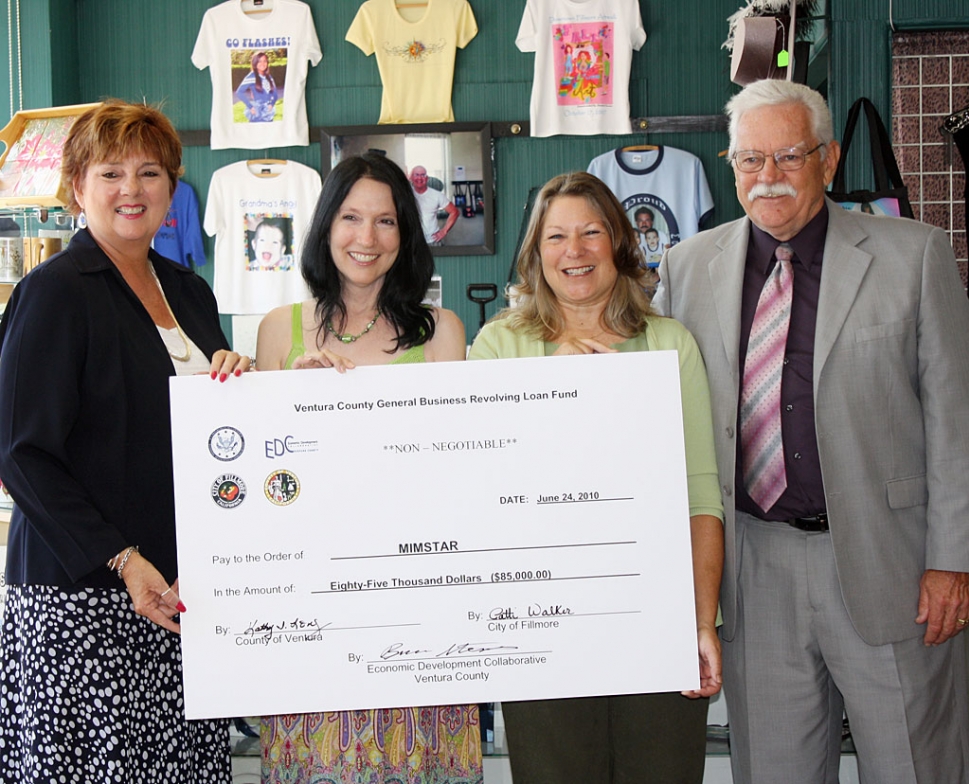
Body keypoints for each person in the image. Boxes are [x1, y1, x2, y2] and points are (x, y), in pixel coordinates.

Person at [654, 79, 969, 784]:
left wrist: (954, 558)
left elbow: (957, 418)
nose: (766, 178)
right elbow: (650, 399)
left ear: (827, 160)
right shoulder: (686, 266)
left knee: (916, 768)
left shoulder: (914, 255)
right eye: (748, 160)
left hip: (893, 567)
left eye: (788, 157)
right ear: (728, 166)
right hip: (753, 569)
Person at [0, 100, 250, 783]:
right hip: (84, 600)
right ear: (77, 186)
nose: (131, 190)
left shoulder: (190, 292)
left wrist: (237, 379)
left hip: (180, 593)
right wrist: (123, 560)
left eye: (150, 173)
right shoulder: (54, 292)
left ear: (173, 190)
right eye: (110, 173)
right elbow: (20, 452)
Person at [468, 171, 724, 784]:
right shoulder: (498, 346)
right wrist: (551, 389)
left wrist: (701, 622)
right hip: (539, 624)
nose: (574, 251)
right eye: (556, 237)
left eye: (591, 233)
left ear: (619, 245)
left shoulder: (669, 343)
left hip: (652, 621)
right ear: (536, 254)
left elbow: (700, 494)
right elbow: (478, 490)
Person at [256, 153, 479, 784]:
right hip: (311, 613)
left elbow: (456, 476)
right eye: (351, 218)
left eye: (386, 221)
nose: (367, 238)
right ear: (326, 228)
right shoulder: (280, 331)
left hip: (419, 614)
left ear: (405, 235)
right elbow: (266, 492)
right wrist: (290, 412)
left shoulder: (441, 332)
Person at [409, 165, 459, 245]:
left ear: (427, 178)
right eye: (416, 175)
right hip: (411, 242)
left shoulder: (437, 195)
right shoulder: (405, 194)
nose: (419, 178)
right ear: (411, 177)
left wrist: (444, 231)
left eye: (423, 175)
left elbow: (454, 212)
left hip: (432, 242)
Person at [235, 50, 279, 123]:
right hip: (257, 112)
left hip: (268, 112)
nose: (262, 63)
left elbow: (275, 95)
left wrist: (271, 104)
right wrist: (250, 107)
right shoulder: (251, 76)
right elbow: (239, 92)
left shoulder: (269, 77)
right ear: (255, 63)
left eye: (265, 61)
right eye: (259, 61)